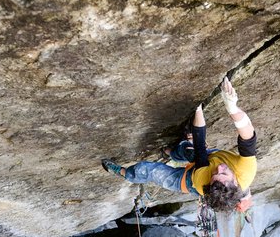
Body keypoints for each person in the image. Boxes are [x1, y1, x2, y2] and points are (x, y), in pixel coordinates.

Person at [102, 77, 257, 211]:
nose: (219, 168)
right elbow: (248, 137)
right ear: (236, 181)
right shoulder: (245, 171)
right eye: (223, 173)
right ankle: (171, 152)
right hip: (211, 158)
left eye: (215, 174)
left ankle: (123, 172)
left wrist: (197, 111)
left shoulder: (202, 181)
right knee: (186, 150)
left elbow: (200, 150)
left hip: (189, 181)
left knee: (146, 170)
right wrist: (231, 109)